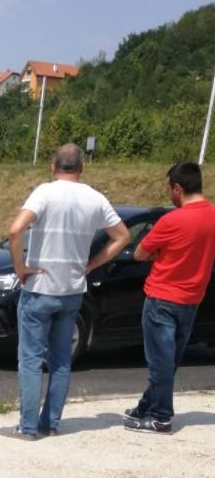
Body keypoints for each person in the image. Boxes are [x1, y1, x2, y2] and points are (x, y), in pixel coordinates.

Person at [0, 143, 130, 440]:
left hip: (40, 287)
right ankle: (51, 422)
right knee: (61, 359)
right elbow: (122, 237)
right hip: (72, 290)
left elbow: (15, 230)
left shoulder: (44, 192)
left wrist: (20, 268)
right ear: (82, 167)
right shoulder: (95, 198)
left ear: (52, 166)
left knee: (31, 359)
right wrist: (93, 263)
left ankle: (28, 426)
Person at [124, 162, 215, 435]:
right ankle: (146, 406)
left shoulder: (172, 220)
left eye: (169, 189)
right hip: (192, 298)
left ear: (178, 188)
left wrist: (158, 254)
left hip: (162, 297)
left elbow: (139, 253)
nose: (169, 195)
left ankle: (161, 417)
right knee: (169, 359)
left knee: (160, 362)